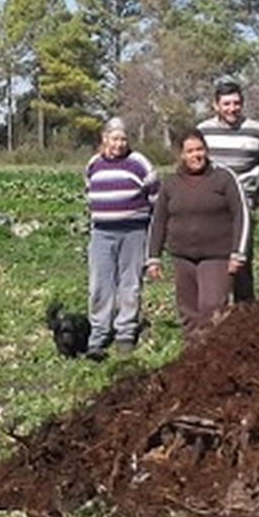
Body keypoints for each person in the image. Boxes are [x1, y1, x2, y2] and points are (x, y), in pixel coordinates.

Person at [144, 131, 249, 340]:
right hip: (182, 257)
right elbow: (159, 220)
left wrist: (238, 252)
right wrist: (153, 257)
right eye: (190, 151)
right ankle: (192, 357)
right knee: (189, 312)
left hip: (216, 255)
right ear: (181, 155)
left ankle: (213, 357)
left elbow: (241, 214)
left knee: (212, 308)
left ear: (207, 151)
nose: (196, 155)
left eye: (200, 149)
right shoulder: (171, 183)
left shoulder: (223, 178)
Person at [85, 117, 159, 358]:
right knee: (100, 284)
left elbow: (155, 196)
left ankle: (125, 333)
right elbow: (89, 192)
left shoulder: (139, 163)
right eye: (114, 138)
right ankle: (99, 333)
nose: (119, 144)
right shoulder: (93, 164)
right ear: (105, 139)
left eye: (123, 139)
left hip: (133, 232)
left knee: (130, 283)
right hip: (102, 233)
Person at [197, 80, 259, 302]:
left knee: (241, 263)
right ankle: (215, 314)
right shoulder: (203, 131)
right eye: (227, 104)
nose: (232, 108)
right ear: (215, 105)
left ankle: (244, 315)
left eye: (236, 103)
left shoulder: (257, 131)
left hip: (243, 208)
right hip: (212, 210)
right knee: (213, 264)